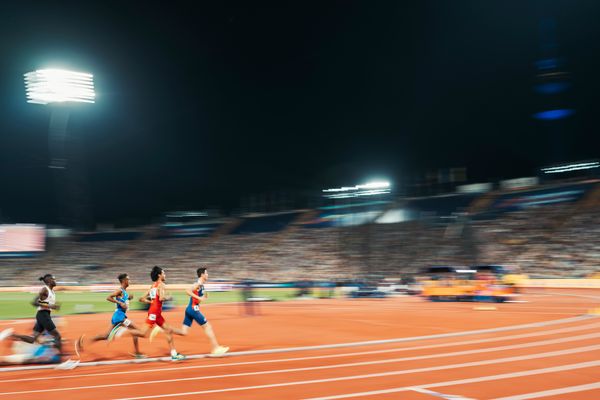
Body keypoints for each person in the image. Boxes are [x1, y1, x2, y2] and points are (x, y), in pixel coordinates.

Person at [79, 273, 146, 358]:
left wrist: (129, 298)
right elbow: (109, 297)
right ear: (124, 281)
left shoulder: (124, 292)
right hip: (119, 317)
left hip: (120, 316)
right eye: (128, 279)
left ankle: (84, 342)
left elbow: (123, 299)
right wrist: (120, 303)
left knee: (106, 336)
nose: (129, 281)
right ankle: (137, 353)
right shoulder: (120, 290)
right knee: (137, 331)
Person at [136, 266, 187, 361]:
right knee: (143, 334)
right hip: (154, 313)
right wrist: (169, 297)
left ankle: (174, 354)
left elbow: (141, 298)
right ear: (159, 275)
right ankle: (124, 331)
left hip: (156, 313)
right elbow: (161, 298)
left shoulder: (153, 286)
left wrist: (151, 302)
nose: (165, 275)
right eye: (163, 273)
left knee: (168, 330)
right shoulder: (161, 284)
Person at [7, 274, 63, 355]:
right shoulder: (45, 289)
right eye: (53, 279)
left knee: (33, 339)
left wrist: (52, 307)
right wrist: (51, 306)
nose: (55, 281)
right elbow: (34, 302)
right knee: (57, 336)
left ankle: (13, 336)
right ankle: (60, 359)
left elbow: (44, 302)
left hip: (43, 315)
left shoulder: (52, 291)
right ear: (49, 281)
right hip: (43, 315)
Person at [182, 267, 228, 356]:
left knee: (184, 332)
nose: (208, 275)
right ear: (202, 275)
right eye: (206, 273)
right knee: (208, 326)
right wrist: (199, 298)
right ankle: (216, 349)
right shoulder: (198, 283)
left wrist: (202, 298)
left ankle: (163, 329)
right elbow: (187, 291)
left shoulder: (201, 285)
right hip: (193, 309)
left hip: (190, 309)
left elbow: (196, 299)